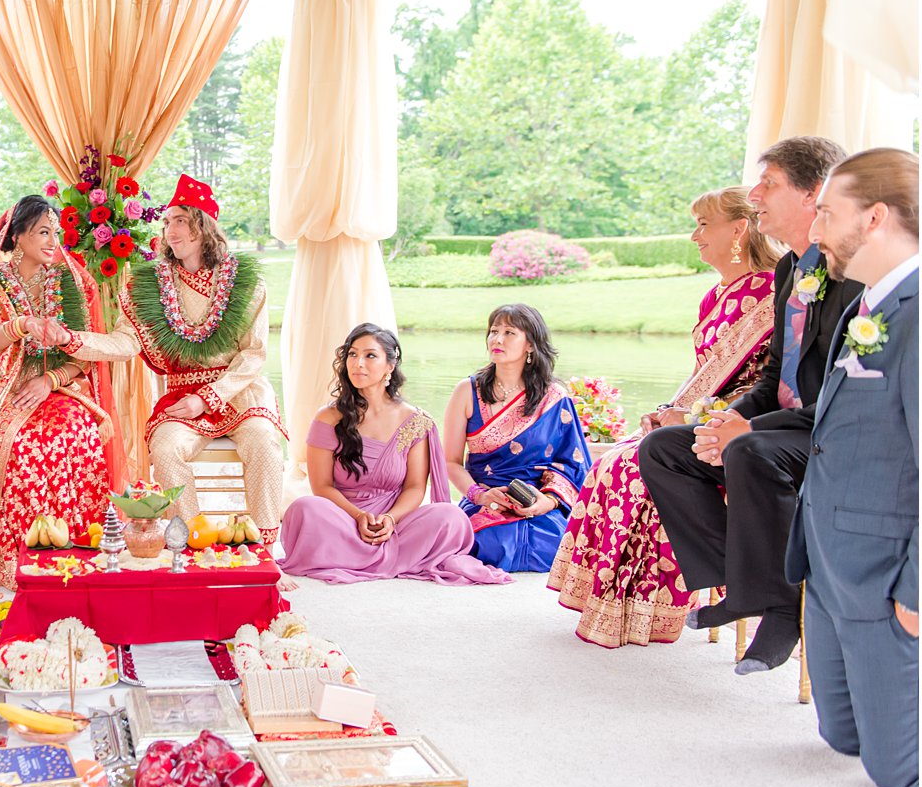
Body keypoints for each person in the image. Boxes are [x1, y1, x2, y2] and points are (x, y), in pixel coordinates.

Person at [639, 136, 863, 674]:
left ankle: (782, 609)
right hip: (783, 421)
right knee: (665, 449)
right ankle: (743, 584)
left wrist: (748, 430)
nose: (755, 193)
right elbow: (776, 375)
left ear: (813, 195)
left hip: (834, 429)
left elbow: (842, 389)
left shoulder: (854, 273)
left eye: (770, 184)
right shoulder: (791, 271)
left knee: (751, 453)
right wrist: (730, 418)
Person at [549, 187, 779, 647]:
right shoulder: (714, 296)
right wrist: (669, 412)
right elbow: (703, 375)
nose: (695, 235)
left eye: (703, 224)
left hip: (743, 424)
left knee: (635, 472)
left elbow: (768, 387)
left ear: (738, 229)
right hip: (702, 414)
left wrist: (699, 417)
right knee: (612, 461)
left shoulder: (770, 289)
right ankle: (619, 606)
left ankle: (652, 608)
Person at [50, 175, 286, 539]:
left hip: (240, 392)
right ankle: (191, 541)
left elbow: (254, 355)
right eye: (166, 222)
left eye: (179, 220)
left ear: (203, 226)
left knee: (263, 442)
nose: (169, 231)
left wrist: (207, 398)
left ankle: (264, 551)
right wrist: (70, 339)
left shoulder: (245, 282)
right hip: (180, 397)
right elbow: (125, 343)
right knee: (165, 448)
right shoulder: (150, 286)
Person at [791, 147, 918, 787]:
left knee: (899, 774)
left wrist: (915, 600)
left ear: (873, 218)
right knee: (841, 738)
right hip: (830, 565)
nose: (814, 232)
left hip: (885, 580)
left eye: (825, 213)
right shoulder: (861, 306)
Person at [0, 196, 126, 588]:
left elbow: (85, 353)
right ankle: (21, 556)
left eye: (56, 232)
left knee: (78, 432)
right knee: (25, 443)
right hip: (6, 389)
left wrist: (51, 381)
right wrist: (20, 324)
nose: (53, 240)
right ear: (17, 236)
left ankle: (79, 547)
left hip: (62, 386)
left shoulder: (72, 280)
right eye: (43, 232)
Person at [277, 324, 512, 586]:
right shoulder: (328, 418)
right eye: (352, 355)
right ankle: (389, 557)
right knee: (304, 509)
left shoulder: (414, 421)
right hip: (342, 518)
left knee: (451, 516)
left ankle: (355, 557)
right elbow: (321, 487)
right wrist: (358, 517)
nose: (358, 364)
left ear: (390, 365)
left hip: (395, 523)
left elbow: (413, 488)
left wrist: (389, 519)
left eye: (370, 356)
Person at [442, 304, 591, 573]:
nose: (497, 340)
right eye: (493, 331)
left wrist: (545, 502)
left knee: (556, 544)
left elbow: (572, 464)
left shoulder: (554, 397)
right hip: (486, 499)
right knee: (485, 544)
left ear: (530, 345)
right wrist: (482, 496)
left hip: (537, 501)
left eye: (509, 332)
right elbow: (450, 462)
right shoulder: (467, 391)